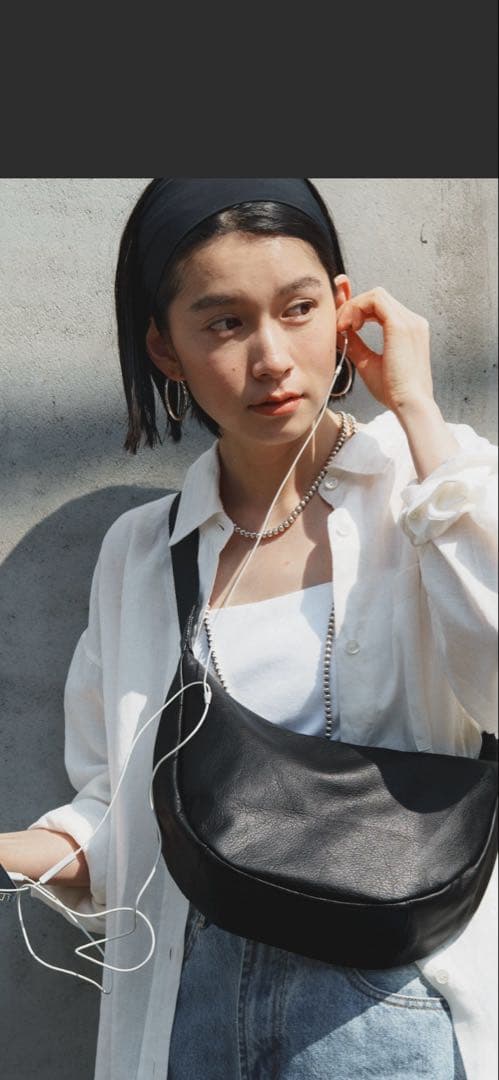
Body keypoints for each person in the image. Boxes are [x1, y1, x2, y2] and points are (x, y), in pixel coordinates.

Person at [0, 179, 497, 1080]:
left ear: (342, 308)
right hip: (192, 1006)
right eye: (224, 323)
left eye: (298, 310)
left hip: (390, 1005)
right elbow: (121, 818)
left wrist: (419, 412)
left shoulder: (434, 485)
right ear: (165, 347)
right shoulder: (142, 552)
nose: (271, 357)